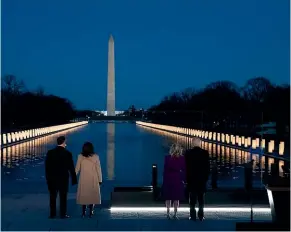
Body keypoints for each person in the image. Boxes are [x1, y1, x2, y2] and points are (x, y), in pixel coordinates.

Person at [45, 136, 77, 219]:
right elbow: (71, 167)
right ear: (63, 142)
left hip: (52, 178)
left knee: (52, 197)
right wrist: (74, 179)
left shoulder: (50, 152)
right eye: (65, 142)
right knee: (63, 197)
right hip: (63, 179)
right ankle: (63, 214)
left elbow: (47, 167)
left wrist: (48, 178)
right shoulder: (67, 153)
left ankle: (52, 214)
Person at [184, 137, 210, 221]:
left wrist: (186, 179)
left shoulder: (188, 153)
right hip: (201, 179)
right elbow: (207, 167)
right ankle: (201, 215)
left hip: (191, 179)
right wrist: (206, 178)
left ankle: (192, 215)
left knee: (192, 199)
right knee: (201, 199)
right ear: (199, 143)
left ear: (192, 143)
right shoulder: (205, 153)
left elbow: (186, 167)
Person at [75, 142, 102, 218]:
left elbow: (77, 168)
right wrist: (100, 180)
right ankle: (91, 212)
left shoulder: (80, 156)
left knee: (84, 195)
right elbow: (98, 169)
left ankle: (83, 212)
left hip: (83, 178)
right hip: (93, 178)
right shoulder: (96, 157)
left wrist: (73, 177)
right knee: (92, 195)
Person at [162, 143, 186, 219]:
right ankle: (175, 214)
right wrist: (184, 180)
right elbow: (184, 169)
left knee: (168, 197)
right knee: (176, 198)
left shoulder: (167, 158)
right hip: (177, 179)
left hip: (169, 178)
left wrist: (164, 180)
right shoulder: (182, 158)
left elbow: (165, 170)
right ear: (180, 149)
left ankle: (168, 213)